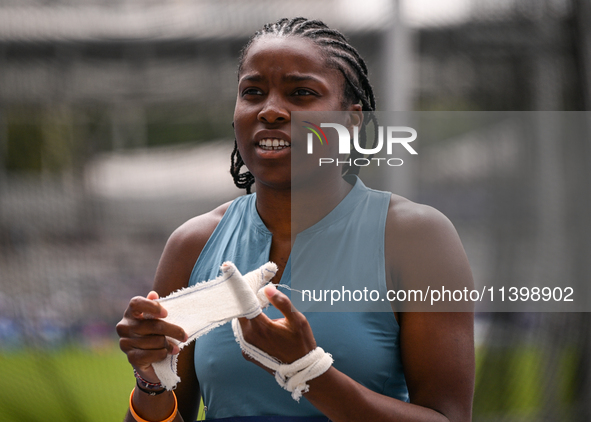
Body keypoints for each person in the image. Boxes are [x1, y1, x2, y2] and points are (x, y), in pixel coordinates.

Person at [116, 17, 475, 422]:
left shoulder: (415, 238)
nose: (270, 110)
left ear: (351, 121)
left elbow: (450, 417)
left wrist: (309, 373)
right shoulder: (193, 244)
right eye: (253, 92)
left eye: (301, 93)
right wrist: (150, 379)